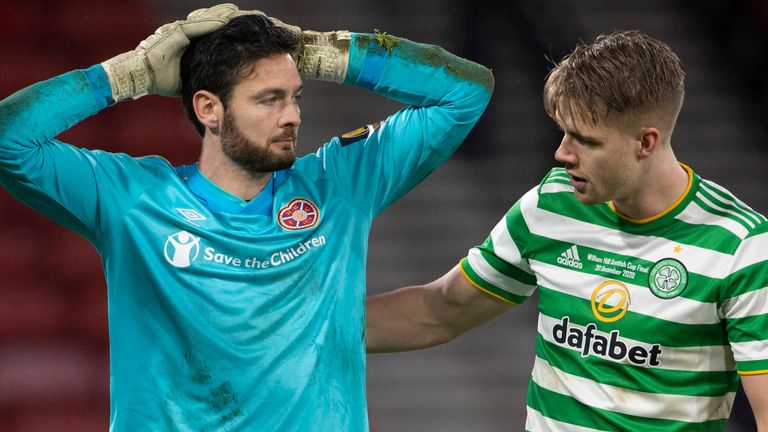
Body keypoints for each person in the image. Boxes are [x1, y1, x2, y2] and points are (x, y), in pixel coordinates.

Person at [0, 4, 493, 431]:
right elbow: (9, 140)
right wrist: (128, 75)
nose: (293, 116)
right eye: (269, 99)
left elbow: (466, 90)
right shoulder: (133, 201)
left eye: (295, 96)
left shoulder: (339, 186)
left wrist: (325, 51)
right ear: (209, 109)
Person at [366, 30, 768, 431]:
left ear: (645, 142)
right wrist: (308, 319)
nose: (562, 153)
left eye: (584, 140)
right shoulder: (550, 206)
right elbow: (441, 311)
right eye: (563, 132)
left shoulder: (741, 247)